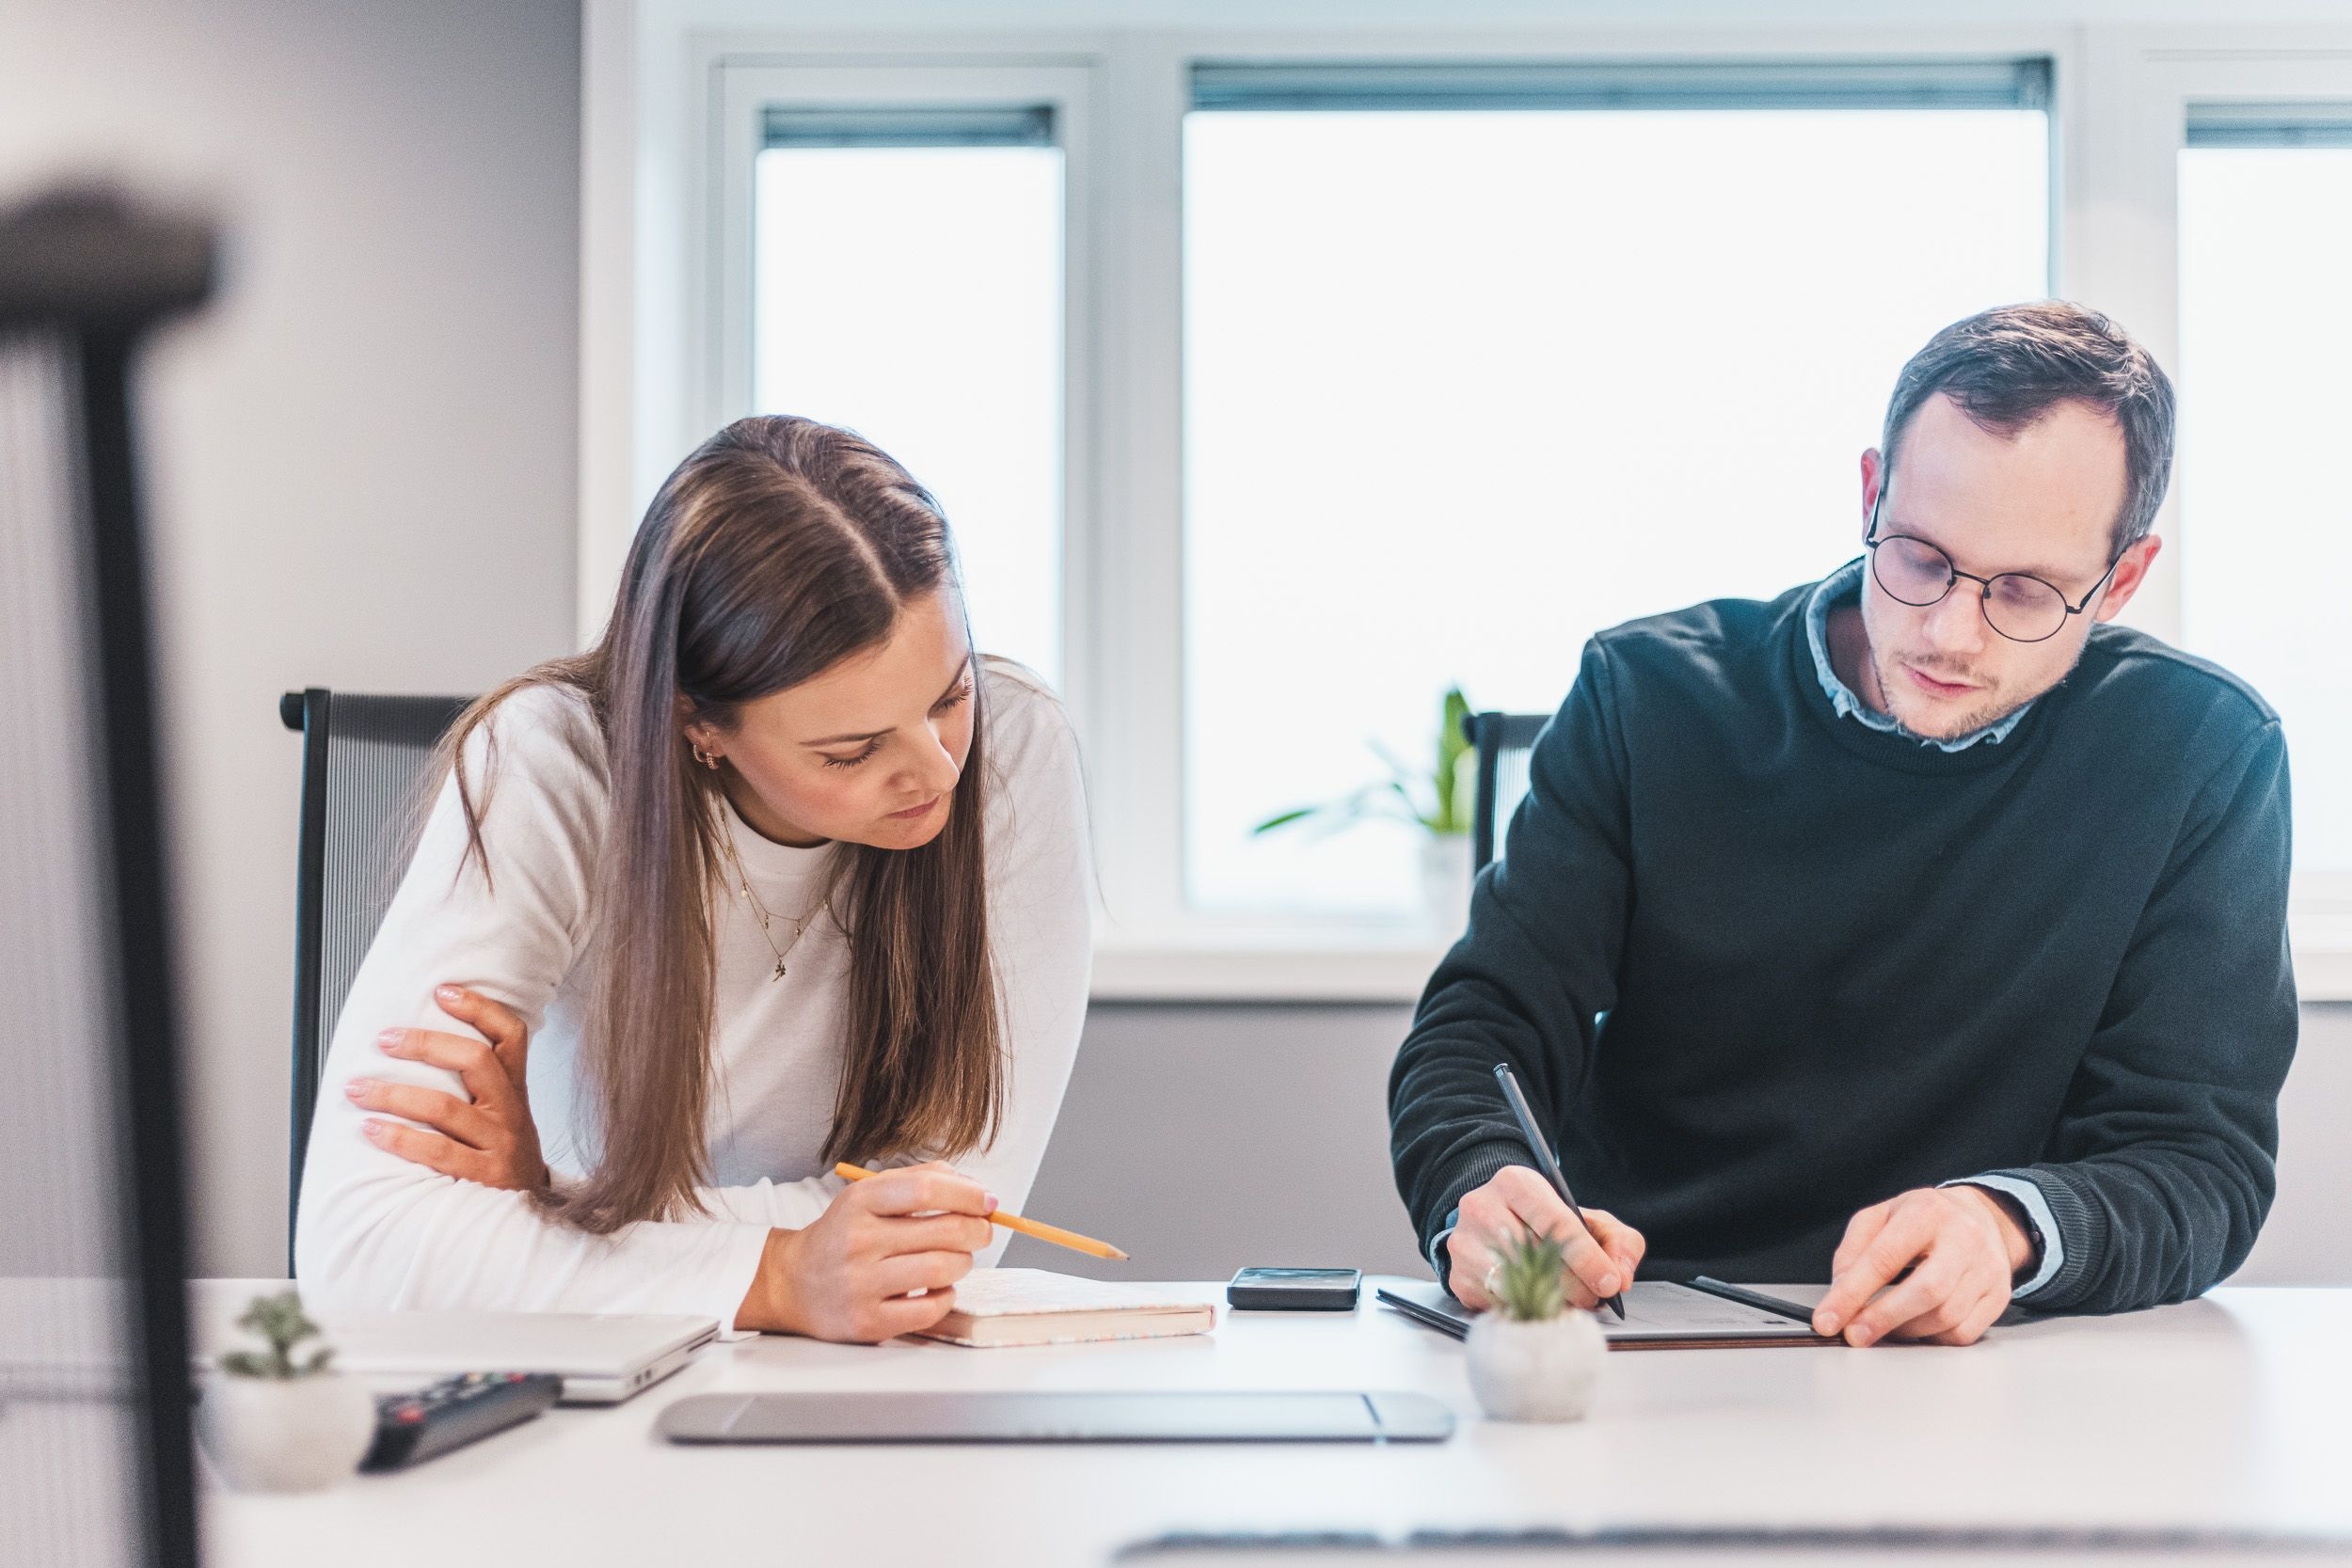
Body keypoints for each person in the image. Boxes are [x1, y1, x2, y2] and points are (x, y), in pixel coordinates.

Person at [1390, 301, 2296, 1348]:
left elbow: (2198, 1160)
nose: (1950, 633)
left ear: (2121, 579)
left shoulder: (2201, 753)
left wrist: (2002, 1224)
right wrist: (1478, 1187)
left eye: (2025, 590)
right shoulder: (1645, 697)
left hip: (1991, 1359)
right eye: (1918, 556)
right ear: (1871, 493)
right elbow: (1478, 1028)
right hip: (1643, 1329)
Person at [295, 415, 1091, 1343]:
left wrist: (553, 1203)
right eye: (851, 749)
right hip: (586, 1381)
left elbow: (942, 1237)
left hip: (843, 1382)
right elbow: (357, 1243)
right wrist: (775, 1277)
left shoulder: (1016, 750)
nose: (937, 768)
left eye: (950, 695)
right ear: (696, 724)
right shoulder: (549, 762)